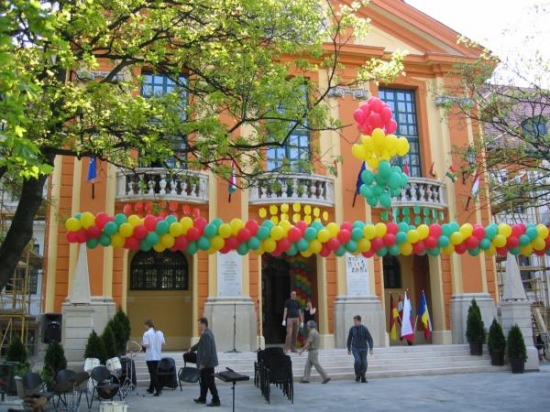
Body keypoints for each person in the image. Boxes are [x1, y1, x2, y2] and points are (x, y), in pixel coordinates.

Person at [188, 317, 221, 407]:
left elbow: (207, 351)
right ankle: (202, 398)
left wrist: (203, 364)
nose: (198, 326)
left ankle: (216, 400)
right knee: (204, 382)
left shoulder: (206, 334)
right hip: (207, 363)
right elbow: (199, 344)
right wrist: (192, 349)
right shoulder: (206, 333)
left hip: (207, 364)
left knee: (210, 382)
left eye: (199, 324)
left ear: (203, 324)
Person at [346, 315, 373, 383]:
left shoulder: (364, 329)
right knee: (358, 361)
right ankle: (358, 375)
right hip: (355, 348)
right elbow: (349, 339)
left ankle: (363, 376)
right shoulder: (352, 329)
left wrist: (371, 348)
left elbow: (370, 339)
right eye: (354, 321)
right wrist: (349, 349)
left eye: (356, 321)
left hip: (364, 348)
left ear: (359, 321)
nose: (354, 322)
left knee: (364, 363)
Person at [142, 319, 165, 396]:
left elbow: (146, 344)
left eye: (145, 325)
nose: (145, 327)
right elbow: (163, 342)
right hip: (157, 356)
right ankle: (151, 388)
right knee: (154, 372)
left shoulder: (146, 333)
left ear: (147, 325)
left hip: (150, 356)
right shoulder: (160, 333)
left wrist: (142, 344)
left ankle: (158, 389)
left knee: (152, 373)